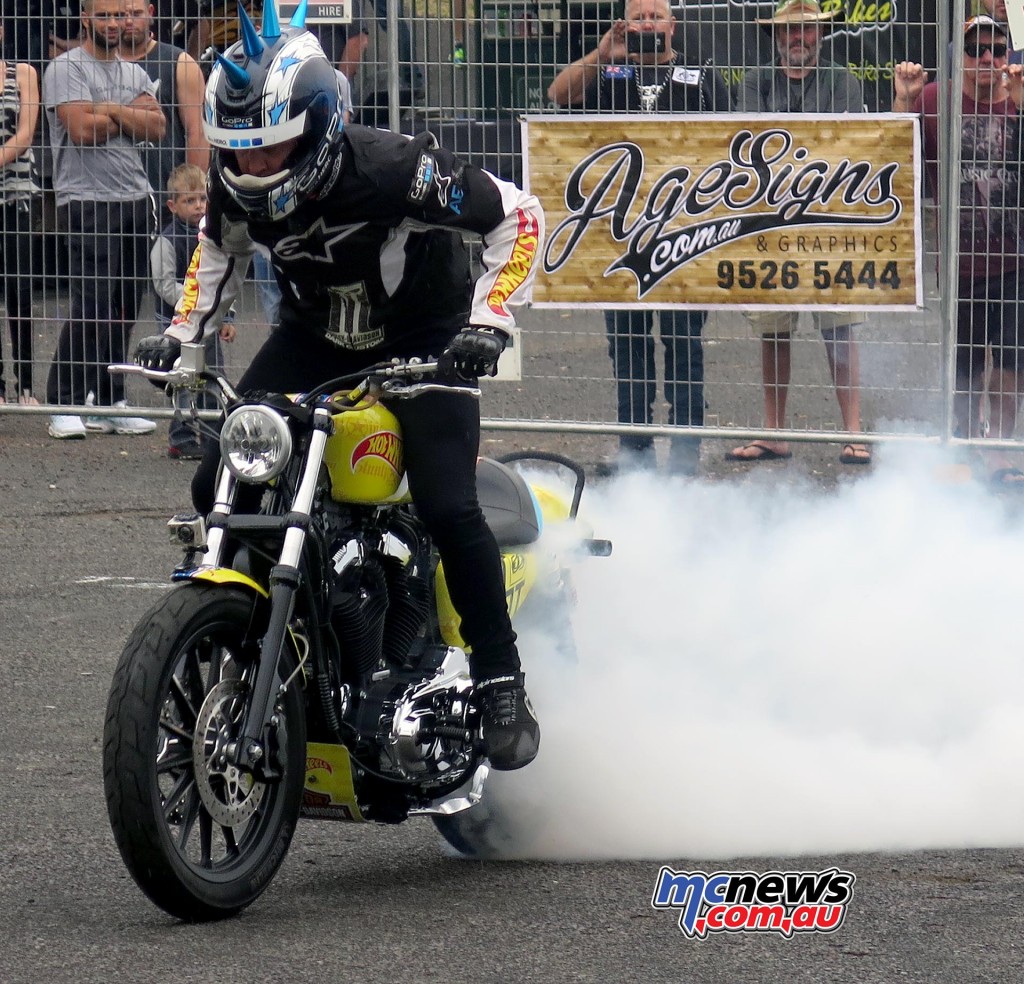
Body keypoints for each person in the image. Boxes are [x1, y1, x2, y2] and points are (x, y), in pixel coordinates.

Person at [134, 2, 545, 770]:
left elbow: (518, 215)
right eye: (238, 154)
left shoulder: (393, 165)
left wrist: (488, 323)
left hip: (422, 344)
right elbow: (213, 253)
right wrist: (183, 339)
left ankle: (499, 675)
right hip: (314, 336)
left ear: (319, 128)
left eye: (270, 153)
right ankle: (276, 632)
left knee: (447, 502)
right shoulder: (232, 181)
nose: (250, 170)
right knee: (215, 476)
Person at [547, 0, 730, 476]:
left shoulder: (700, 73)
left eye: (656, 16)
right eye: (638, 16)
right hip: (619, 237)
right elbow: (557, 95)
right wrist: (602, 54)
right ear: (624, 24)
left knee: (683, 341)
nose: (647, 24)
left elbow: (732, 138)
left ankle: (687, 449)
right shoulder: (607, 75)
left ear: (673, 24)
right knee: (627, 344)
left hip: (684, 234)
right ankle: (636, 451)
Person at [728, 0, 871, 466]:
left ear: (821, 36)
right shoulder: (755, 81)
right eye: (790, 31)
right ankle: (774, 432)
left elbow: (847, 147)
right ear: (777, 36)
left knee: (840, 328)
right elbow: (749, 146)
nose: (799, 39)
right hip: (768, 222)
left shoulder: (842, 81)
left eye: (807, 31)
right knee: (772, 329)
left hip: (830, 221)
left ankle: (853, 431)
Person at [894, 16, 1024, 485]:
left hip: (1016, 258)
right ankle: (966, 444)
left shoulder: (1019, 100)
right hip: (960, 260)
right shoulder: (935, 99)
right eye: (976, 50)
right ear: (961, 57)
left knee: (1011, 361)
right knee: (966, 361)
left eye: (996, 49)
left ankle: (1001, 449)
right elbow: (895, 156)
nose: (987, 58)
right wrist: (903, 99)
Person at [42, 0, 164, 439]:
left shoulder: (134, 72)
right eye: (106, 16)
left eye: (121, 15)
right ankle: (63, 402)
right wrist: (126, 114)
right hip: (86, 199)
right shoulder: (65, 68)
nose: (116, 24)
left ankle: (110, 400)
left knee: (125, 308)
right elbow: (81, 131)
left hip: (133, 197)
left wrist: (108, 110)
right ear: (85, 18)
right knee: (92, 305)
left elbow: (157, 127)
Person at [151, 163, 235, 459]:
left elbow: (224, 278)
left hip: (209, 324)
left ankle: (215, 435)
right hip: (178, 325)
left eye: (202, 199)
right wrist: (192, 305)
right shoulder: (167, 240)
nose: (199, 206)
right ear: (173, 206)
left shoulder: (214, 236)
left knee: (213, 377)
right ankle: (182, 436)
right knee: (184, 382)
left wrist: (226, 316)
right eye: (190, 200)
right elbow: (163, 283)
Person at [119, 1, 209, 197]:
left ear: (150, 13)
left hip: (166, 195)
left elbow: (198, 133)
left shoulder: (180, 63)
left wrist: (191, 193)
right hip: (112, 197)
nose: (128, 21)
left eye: (136, 13)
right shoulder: (95, 65)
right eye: (120, 14)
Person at [0, 22, 42, 406]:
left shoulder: (23, 73)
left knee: (19, 290)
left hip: (15, 197)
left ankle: (25, 384)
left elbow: (26, 133)